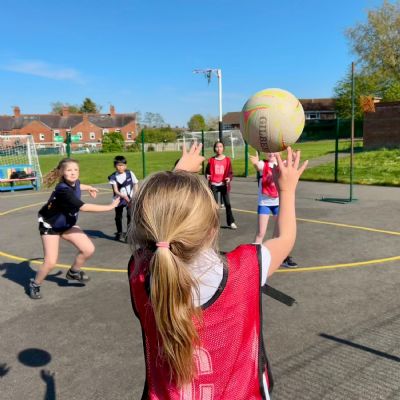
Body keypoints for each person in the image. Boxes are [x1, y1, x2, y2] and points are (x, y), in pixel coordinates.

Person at [128, 143, 307, 399]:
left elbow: (162, 221)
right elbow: (285, 238)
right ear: (213, 230)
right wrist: (286, 191)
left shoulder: (139, 272)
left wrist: (179, 173)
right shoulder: (247, 268)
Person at [29, 158, 120, 300]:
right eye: (69, 170)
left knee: (88, 249)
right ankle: (35, 284)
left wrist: (89, 187)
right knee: (50, 262)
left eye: (76, 170)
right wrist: (110, 207)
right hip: (50, 226)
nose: (73, 173)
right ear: (61, 172)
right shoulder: (62, 190)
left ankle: (73, 272)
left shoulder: (75, 182)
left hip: (66, 224)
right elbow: (84, 207)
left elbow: (78, 185)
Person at [250, 152, 299, 269]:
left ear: (279, 152)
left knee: (281, 234)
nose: (271, 153)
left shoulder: (281, 164)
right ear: (265, 153)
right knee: (260, 233)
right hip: (264, 203)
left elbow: (291, 166)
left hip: (278, 203)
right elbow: (258, 166)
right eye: (269, 151)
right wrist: (255, 163)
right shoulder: (263, 164)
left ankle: (282, 257)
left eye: (274, 151)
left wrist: (293, 159)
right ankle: (252, 259)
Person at [205, 141, 237, 229]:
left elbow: (230, 173)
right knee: (214, 205)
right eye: (217, 147)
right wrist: (207, 175)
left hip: (224, 185)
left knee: (227, 204)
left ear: (223, 148)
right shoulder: (211, 160)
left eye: (220, 146)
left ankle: (231, 222)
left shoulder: (227, 160)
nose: (219, 148)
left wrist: (229, 178)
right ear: (214, 149)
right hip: (214, 184)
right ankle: (214, 223)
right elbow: (207, 172)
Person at [108, 155, 138, 241]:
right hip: (119, 199)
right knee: (118, 217)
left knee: (130, 216)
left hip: (130, 199)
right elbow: (116, 190)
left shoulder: (130, 173)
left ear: (125, 166)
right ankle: (119, 233)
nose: (120, 167)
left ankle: (128, 234)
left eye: (122, 165)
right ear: (115, 166)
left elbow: (135, 183)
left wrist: (135, 194)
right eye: (118, 165)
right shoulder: (113, 177)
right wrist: (123, 196)